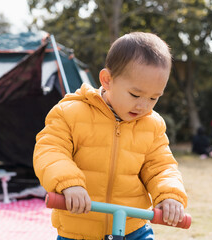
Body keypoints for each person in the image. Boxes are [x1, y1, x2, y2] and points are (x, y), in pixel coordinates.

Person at [33, 32, 188, 240]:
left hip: (132, 228)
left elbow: (161, 167)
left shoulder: (152, 125)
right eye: (135, 94)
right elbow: (50, 151)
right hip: (79, 228)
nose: (143, 105)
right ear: (107, 80)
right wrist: (70, 183)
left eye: (153, 98)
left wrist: (170, 195)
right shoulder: (70, 113)